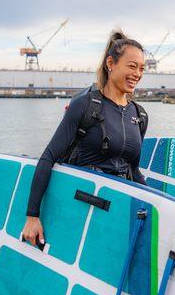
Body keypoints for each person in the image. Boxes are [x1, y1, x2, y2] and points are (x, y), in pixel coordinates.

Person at [22, 30, 147, 247]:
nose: (137, 73)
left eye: (142, 68)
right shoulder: (85, 105)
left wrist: (159, 204)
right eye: (132, 66)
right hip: (81, 206)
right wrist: (32, 216)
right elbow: (48, 157)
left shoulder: (140, 115)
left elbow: (133, 171)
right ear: (111, 63)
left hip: (115, 209)